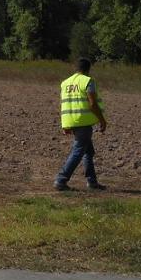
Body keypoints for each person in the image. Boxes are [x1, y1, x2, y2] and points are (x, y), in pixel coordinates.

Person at [54, 57, 107, 191]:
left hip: (71, 120)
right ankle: (61, 180)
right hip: (83, 122)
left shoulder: (65, 83)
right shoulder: (88, 81)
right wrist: (102, 119)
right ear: (88, 69)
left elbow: (65, 104)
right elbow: (92, 103)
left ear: (75, 68)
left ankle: (92, 182)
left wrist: (65, 124)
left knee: (88, 151)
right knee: (78, 151)